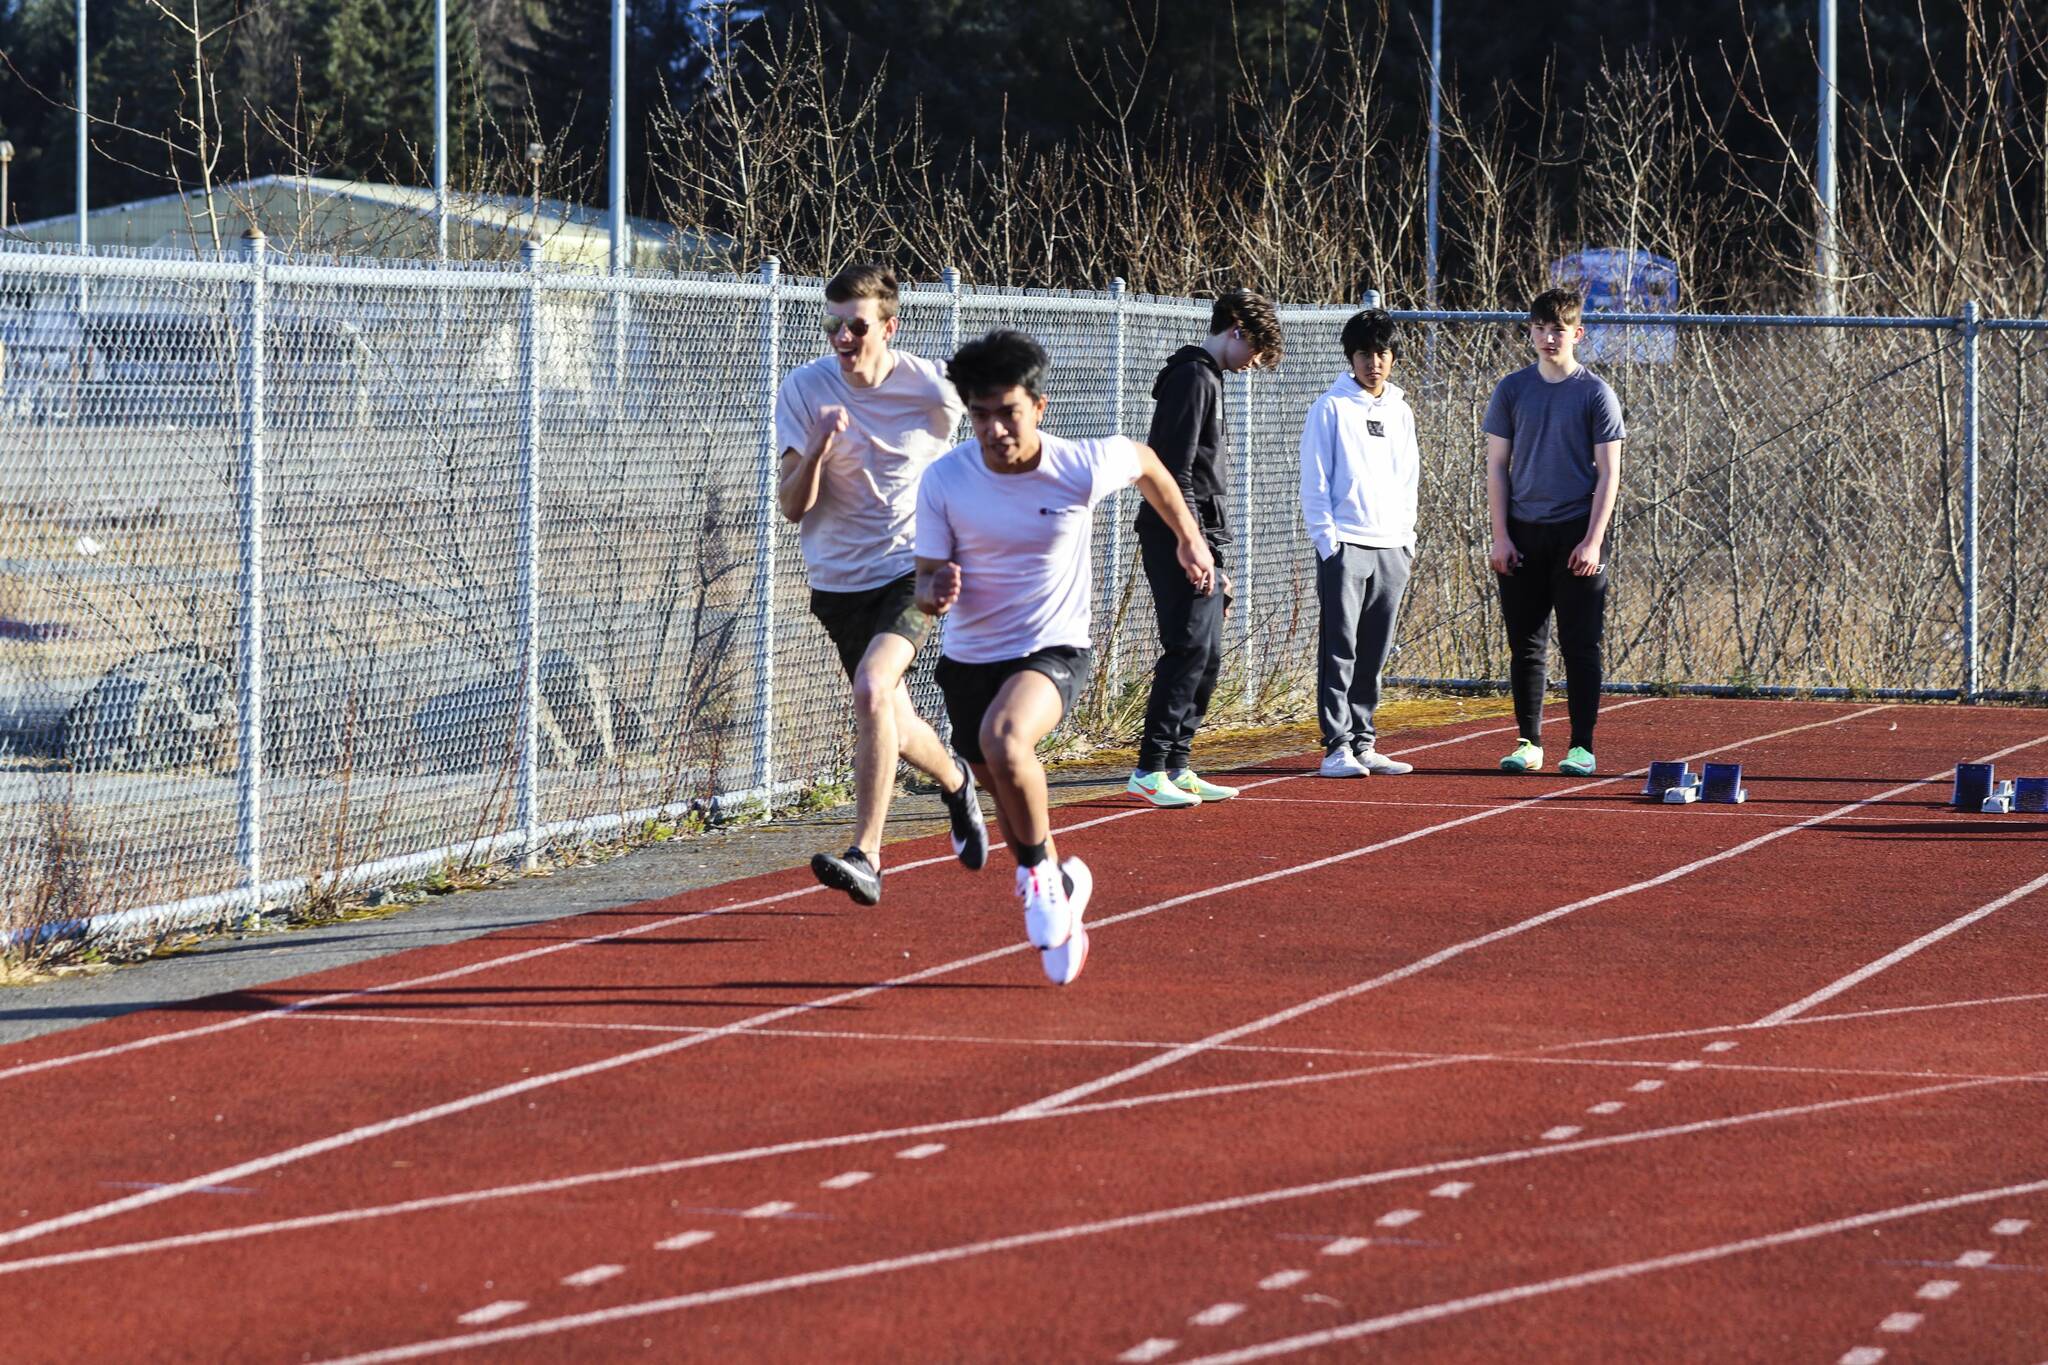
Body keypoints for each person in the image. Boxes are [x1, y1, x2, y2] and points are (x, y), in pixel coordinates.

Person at [915, 330, 1216, 985]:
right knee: (992, 766)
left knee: (1006, 738)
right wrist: (933, 590)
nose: (994, 429)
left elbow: (1146, 463)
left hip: (1053, 647)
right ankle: (1059, 876)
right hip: (970, 658)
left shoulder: (1078, 464)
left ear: (1040, 407)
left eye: (1008, 412)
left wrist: (1189, 538)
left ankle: (1038, 880)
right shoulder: (944, 479)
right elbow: (924, 575)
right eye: (980, 414)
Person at [774, 264, 989, 906]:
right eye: (832, 324)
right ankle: (955, 782)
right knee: (890, 712)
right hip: (838, 582)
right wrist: (815, 447)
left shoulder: (933, 386)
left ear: (889, 328)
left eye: (857, 326)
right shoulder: (803, 390)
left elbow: (1000, 429)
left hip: (911, 569)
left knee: (872, 687)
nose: (843, 337)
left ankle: (866, 854)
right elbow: (791, 506)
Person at [1126, 288, 1284, 808]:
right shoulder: (1193, 377)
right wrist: (1192, 544)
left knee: (1208, 651)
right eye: (1255, 350)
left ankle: (1177, 762)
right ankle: (1150, 768)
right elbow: (1172, 471)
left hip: (1202, 533)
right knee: (1188, 645)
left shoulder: (1209, 377)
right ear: (1236, 328)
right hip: (1177, 533)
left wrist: (1214, 550)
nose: (1253, 364)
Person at [1482, 286, 1627, 776]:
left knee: (1580, 644)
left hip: (1575, 533)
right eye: (1541, 328)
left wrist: (1593, 539)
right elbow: (1497, 467)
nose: (1549, 337)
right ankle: (1529, 741)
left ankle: (1581, 746)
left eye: (1559, 329)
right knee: (1525, 644)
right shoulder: (1511, 390)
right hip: (1523, 533)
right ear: (1530, 332)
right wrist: (1501, 535)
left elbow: (1610, 472)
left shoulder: (1595, 393)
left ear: (1577, 334)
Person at [1299, 308, 1422, 778]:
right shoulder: (1329, 408)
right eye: (1366, 354)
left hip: (1393, 547)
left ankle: (1365, 741)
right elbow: (1315, 481)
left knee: (1374, 650)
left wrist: (1406, 539)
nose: (1375, 362)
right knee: (1340, 648)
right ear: (1351, 358)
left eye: (1383, 353)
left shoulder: (1401, 410)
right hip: (1346, 545)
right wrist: (1329, 542)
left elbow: (1409, 478)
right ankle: (1336, 747)